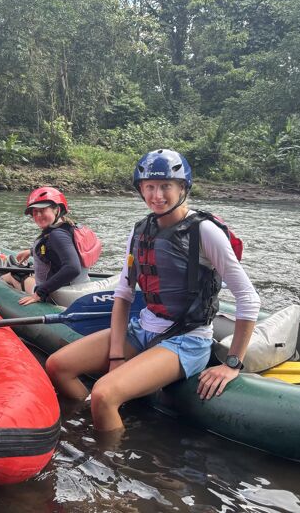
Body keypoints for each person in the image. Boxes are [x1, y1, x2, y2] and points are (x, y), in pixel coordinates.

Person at [46, 149, 260, 432]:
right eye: (149, 187)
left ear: (182, 187)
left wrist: (232, 363)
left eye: (165, 186)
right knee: (57, 366)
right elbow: (123, 294)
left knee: (103, 394)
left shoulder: (205, 231)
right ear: (141, 190)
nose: (157, 195)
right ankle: (94, 416)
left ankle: (111, 460)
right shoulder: (139, 231)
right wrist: (116, 356)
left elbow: (248, 298)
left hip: (187, 340)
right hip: (141, 330)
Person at [0, 187, 96, 306]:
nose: (38, 215)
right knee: (32, 275)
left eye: (43, 210)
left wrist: (39, 293)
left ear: (57, 209)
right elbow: (65, 248)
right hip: (79, 289)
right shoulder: (69, 227)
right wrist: (31, 252)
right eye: (35, 212)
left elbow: (72, 268)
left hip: (57, 296)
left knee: (12, 276)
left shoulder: (57, 235)